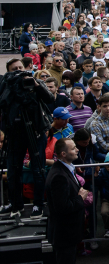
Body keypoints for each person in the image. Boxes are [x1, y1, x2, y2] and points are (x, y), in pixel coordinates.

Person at [0, 63, 55, 218]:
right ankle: (14, 203)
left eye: (20, 68)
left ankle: (38, 204)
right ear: (8, 72)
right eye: (14, 69)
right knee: (13, 170)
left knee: (38, 169)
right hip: (15, 133)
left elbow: (49, 98)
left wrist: (36, 85)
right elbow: (2, 103)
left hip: (35, 130)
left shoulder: (35, 82)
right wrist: (12, 86)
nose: (18, 71)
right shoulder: (6, 84)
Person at [45, 138, 89, 264]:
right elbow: (63, 207)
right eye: (73, 148)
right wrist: (80, 198)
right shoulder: (59, 175)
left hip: (68, 234)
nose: (77, 150)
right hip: (64, 234)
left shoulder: (66, 169)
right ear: (63, 154)